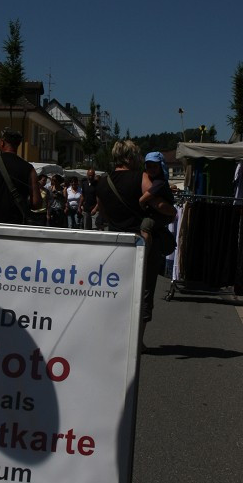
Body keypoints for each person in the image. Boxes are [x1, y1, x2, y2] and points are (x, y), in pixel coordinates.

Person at [95, 140, 173, 348]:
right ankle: (137, 343)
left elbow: (102, 212)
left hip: (114, 243)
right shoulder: (142, 177)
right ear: (130, 157)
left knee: (116, 289)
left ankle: (113, 336)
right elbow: (157, 203)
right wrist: (172, 211)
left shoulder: (103, 181)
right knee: (144, 290)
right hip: (141, 243)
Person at [0, 128, 41, 225]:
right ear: (18, 144)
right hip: (15, 225)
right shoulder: (29, 169)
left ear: (2, 143)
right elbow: (36, 203)